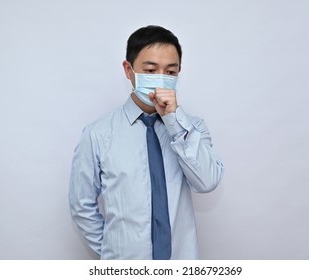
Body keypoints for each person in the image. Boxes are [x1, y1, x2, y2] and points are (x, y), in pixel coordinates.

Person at [69, 25, 224, 260]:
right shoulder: (98, 134)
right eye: (150, 70)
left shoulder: (193, 128)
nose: (161, 79)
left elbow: (207, 181)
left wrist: (173, 120)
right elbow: (82, 205)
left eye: (170, 72)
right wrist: (115, 253)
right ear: (128, 70)